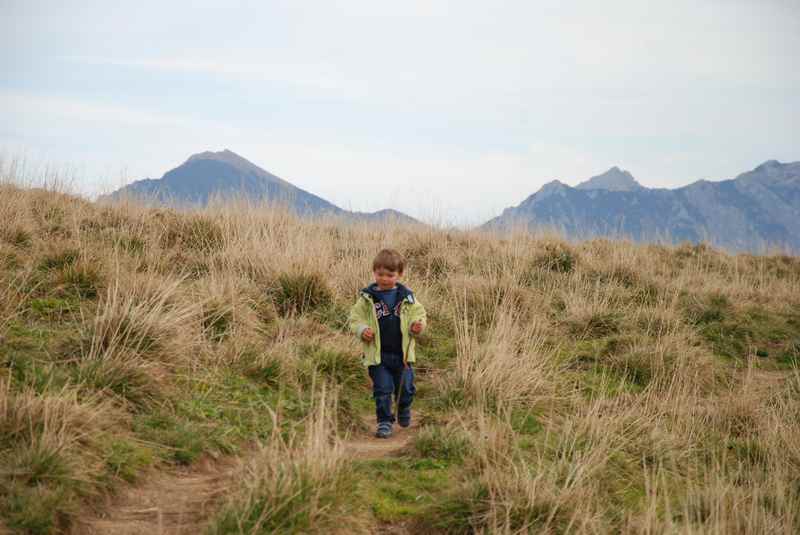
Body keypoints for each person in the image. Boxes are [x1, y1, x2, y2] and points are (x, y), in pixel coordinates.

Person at [348, 248, 427, 438]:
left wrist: (418, 325)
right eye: (380, 274)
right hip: (378, 355)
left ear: (399, 275)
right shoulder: (367, 299)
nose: (384, 279)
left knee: (406, 388)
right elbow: (354, 319)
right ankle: (384, 422)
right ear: (374, 272)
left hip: (403, 355)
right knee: (382, 389)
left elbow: (420, 314)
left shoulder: (407, 298)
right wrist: (361, 330)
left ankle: (403, 407)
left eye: (390, 275)